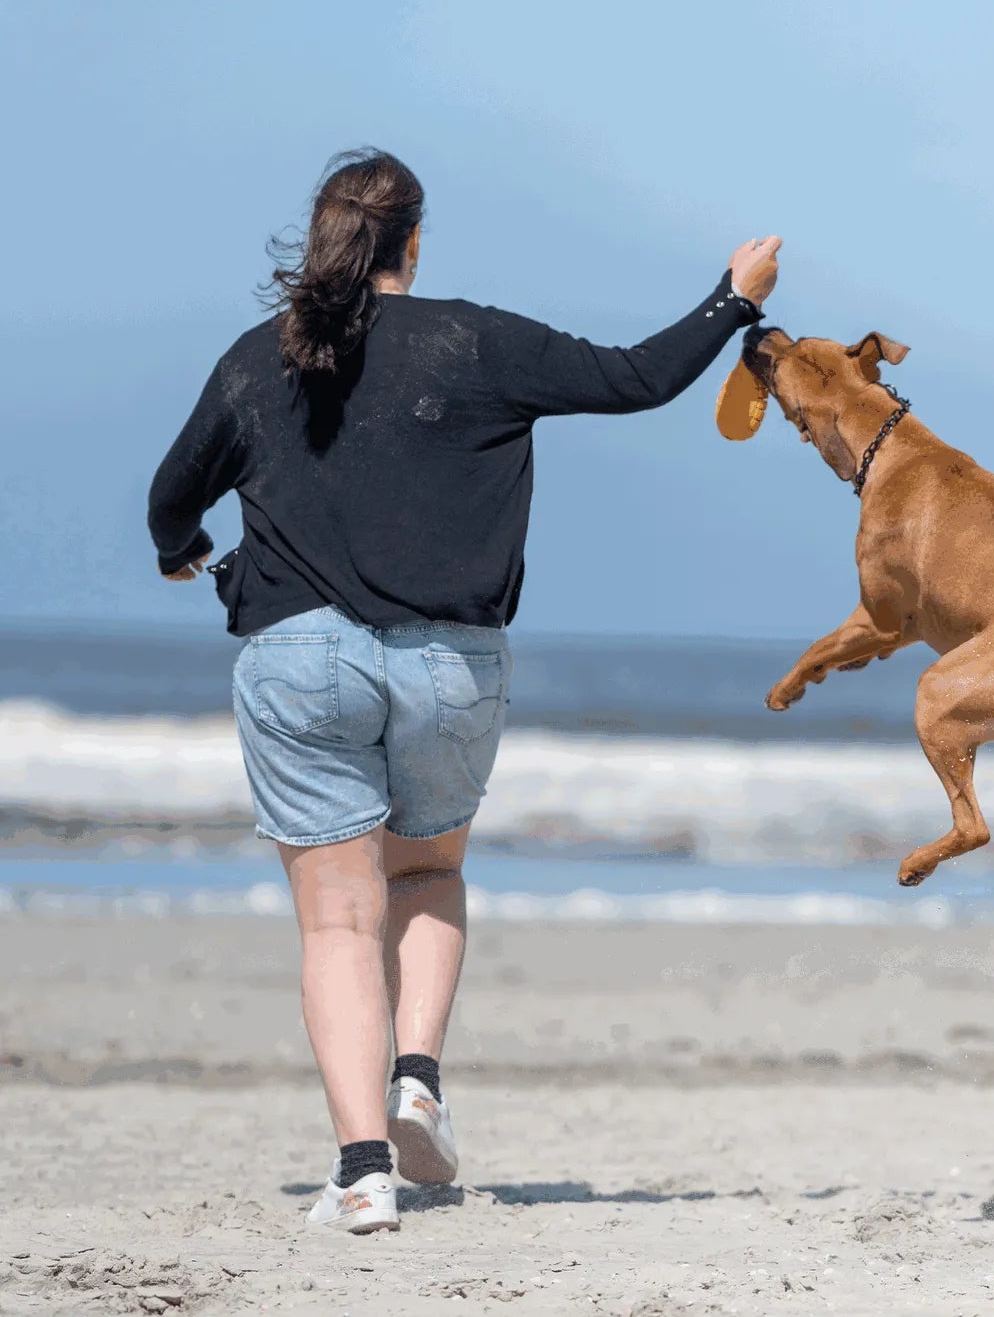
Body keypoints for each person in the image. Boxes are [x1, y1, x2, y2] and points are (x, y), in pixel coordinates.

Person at [147, 148, 781, 1233]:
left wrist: (185, 550)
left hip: (299, 659)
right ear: (415, 242)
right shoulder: (477, 340)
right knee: (428, 873)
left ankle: (359, 1174)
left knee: (338, 925)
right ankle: (419, 1079)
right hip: (448, 661)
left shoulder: (262, 358)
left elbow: (171, 497)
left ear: (324, 239)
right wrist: (736, 299)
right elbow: (637, 378)